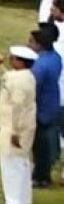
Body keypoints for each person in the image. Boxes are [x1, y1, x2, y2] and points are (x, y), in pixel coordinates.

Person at [0, 45, 39, 204]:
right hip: (21, 125)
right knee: (21, 162)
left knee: (12, 163)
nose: (10, 59)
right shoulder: (22, 76)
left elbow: (18, 107)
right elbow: (5, 78)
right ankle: (23, 198)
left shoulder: (20, 81)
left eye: (13, 58)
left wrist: (15, 132)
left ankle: (15, 201)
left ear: (21, 62)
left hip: (15, 127)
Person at [32, 26, 62, 189]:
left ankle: (41, 177)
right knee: (46, 143)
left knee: (40, 146)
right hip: (52, 104)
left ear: (39, 45)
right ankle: (42, 174)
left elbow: (34, 88)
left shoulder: (40, 65)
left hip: (42, 108)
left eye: (32, 42)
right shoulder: (55, 57)